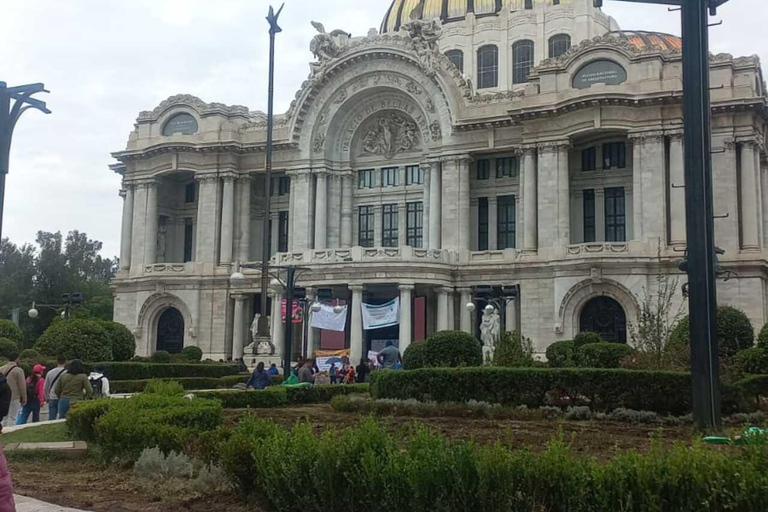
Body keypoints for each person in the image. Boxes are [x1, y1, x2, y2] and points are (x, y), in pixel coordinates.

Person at [0, 353, 26, 428]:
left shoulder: (1, 368)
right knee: (12, 417)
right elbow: (22, 386)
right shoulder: (19, 370)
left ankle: (2, 429)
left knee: (3, 416)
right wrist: (24, 398)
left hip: (2, 396)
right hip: (14, 396)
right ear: (17, 359)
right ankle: (10, 430)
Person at [44, 355, 67, 421]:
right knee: (62, 417)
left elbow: (46, 387)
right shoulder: (67, 373)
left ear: (57, 362)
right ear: (65, 362)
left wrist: (46, 397)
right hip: (63, 397)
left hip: (52, 396)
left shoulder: (50, 372)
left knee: (52, 418)